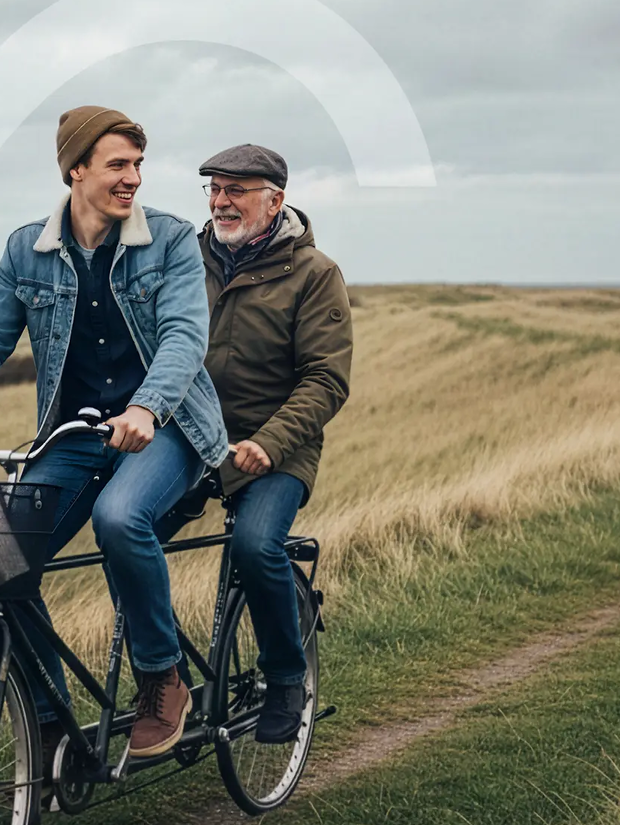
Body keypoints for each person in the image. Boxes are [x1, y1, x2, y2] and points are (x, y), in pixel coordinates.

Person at [0, 106, 230, 759]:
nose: (133, 177)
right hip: (73, 437)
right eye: (118, 164)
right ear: (76, 170)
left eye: (138, 164)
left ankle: (162, 679)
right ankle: (49, 722)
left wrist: (146, 407)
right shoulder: (28, 249)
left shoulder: (168, 240)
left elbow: (185, 335)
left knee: (119, 518)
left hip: (166, 426)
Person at [159, 144, 352, 744]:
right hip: (195, 438)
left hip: (279, 448)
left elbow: (326, 379)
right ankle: (167, 678)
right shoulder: (186, 260)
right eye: (214, 189)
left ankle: (287, 680)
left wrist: (269, 444)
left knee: (254, 545)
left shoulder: (315, 274)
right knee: (124, 534)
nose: (221, 201)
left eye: (236, 189)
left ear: (276, 199)